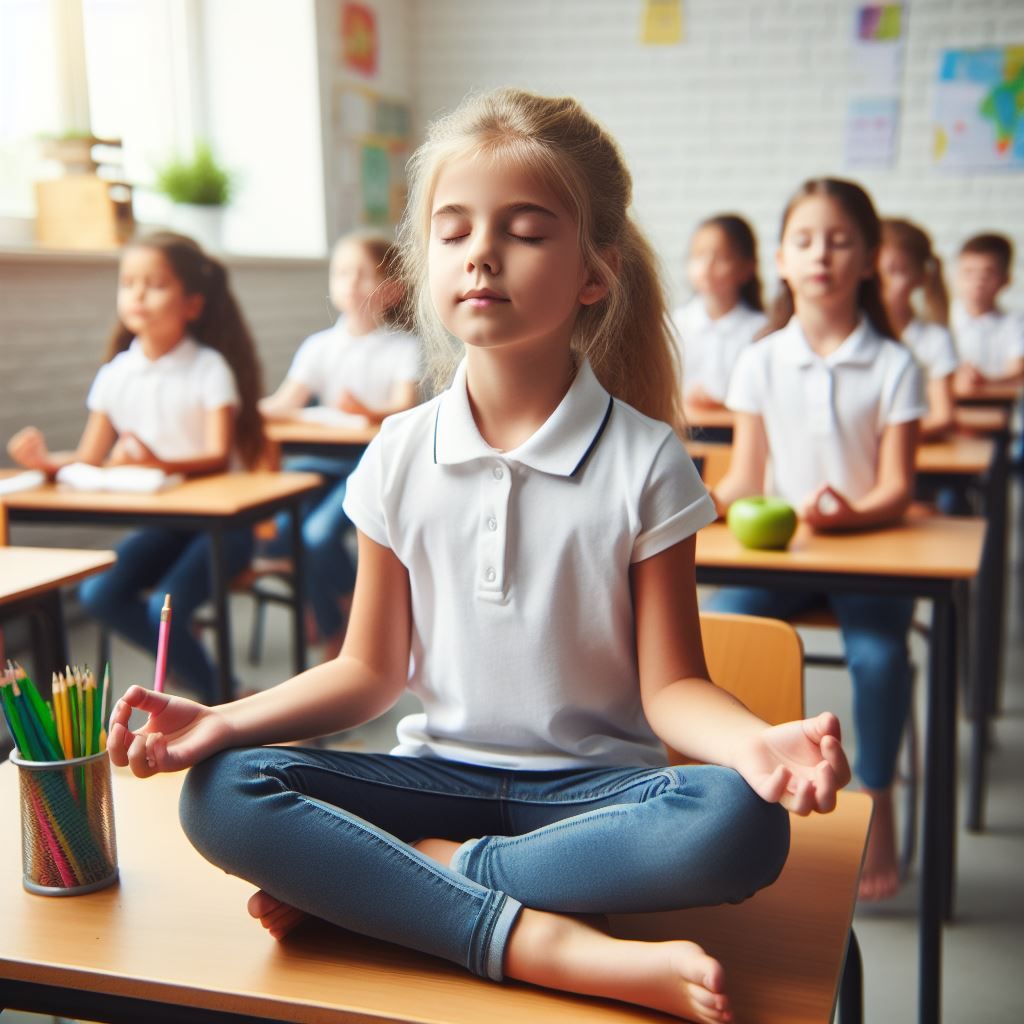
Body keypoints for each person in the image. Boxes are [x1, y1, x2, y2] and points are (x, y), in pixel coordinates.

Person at [107, 90, 849, 1024]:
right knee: (225, 790)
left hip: (594, 801)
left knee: (740, 821)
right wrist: (223, 718)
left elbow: (671, 692)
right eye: (454, 232)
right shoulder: (400, 450)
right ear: (426, 269)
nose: (482, 254)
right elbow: (370, 673)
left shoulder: (645, 458)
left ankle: (414, 886)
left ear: (594, 273)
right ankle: (543, 942)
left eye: (526, 231)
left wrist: (755, 744)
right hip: (435, 779)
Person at [708, 178, 926, 903]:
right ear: (780, 259)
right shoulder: (761, 358)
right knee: (721, 633)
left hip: (869, 554)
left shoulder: (897, 365)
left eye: (839, 240)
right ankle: (739, 799)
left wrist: (851, 514)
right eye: (804, 240)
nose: (821, 254)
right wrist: (700, 501)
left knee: (878, 657)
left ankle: (877, 802)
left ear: (868, 259)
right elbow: (744, 477)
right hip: (790, 551)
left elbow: (897, 488)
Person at [7, 232, 265, 704]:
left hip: (223, 531)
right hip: (166, 528)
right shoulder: (116, 372)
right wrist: (45, 463)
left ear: (191, 304)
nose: (138, 294)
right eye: (128, 283)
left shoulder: (210, 368)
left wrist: (155, 460)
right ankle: (213, 686)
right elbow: (90, 457)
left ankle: (219, 695)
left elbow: (215, 453)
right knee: (99, 594)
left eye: (155, 284)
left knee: (164, 607)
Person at [259, 231, 421, 659]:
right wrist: (241, 408)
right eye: (342, 273)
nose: (350, 283)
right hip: (318, 461)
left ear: (392, 290)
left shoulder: (404, 347)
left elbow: (403, 410)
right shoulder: (319, 346)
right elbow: (283, 405)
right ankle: (338, 614)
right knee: (278, 526)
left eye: (363, 274)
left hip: (369, 463)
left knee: (316, 535)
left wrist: (367, 411)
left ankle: (352, 617)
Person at [672, 214, 767, 411]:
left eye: (722, 257)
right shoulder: (675, 324)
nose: (707, 267)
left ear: (748, 267)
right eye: (698, 255)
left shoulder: (762, 330)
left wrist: (722, 405)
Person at [879, 217, 958, 438]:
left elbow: (943, 417)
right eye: (877, 272)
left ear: (921, 278)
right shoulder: (850, 336)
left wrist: (883, 440)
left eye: (895, 272)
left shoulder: (935, 339)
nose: (883, 283)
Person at [951, 233, 1024, 391]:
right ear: (956, 276)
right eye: (968, 272)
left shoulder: (1015, 324)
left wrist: (983, 383)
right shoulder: (942, 320)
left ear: (1006, 279)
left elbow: (1018, 373)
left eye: (987, 273)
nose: (978, 281)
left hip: (1001, 409)